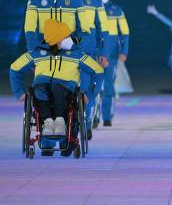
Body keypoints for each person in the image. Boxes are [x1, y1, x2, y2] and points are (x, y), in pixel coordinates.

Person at [10, 19, 103, 156]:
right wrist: (19, 92)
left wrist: (89, 94)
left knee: (58, 89)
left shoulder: (76, 54)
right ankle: (47, 122)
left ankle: (60, 122)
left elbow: (98, 71)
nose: (69, 39)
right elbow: (14, 68)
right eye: (65, 36)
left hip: (66, 90)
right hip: (42, 88)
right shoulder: (37, 53)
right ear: (56, 40)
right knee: (39, 90)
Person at [65, 0, 108, 138]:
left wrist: (104, 53)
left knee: (87, 90)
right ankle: (70, 124)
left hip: (89, 52)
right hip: (67, 53)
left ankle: (86, 123)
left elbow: (103, 28)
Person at [94, 0, 130, 127]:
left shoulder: (116, 10)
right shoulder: (91, 9)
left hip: (113, 56)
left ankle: (107, 117)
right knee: (94, 87)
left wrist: (124, 51)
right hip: (95, 56)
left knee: (109, 86)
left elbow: (125, 32)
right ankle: (93, 117)